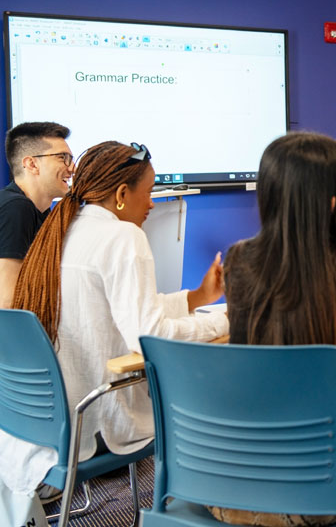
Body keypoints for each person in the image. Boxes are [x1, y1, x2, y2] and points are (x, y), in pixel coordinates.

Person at [0, 141, 228, 497]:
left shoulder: (62, 230)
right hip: (95, 425)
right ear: (122, 193)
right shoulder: (124, 236)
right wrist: (228, 320)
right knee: (212, 400)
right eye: (149, 192)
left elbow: (119, 312)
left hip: (40, 431)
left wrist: (197, 299)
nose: (152, 202)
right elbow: (150, 334)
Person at [214, 132, 336, 526]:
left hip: (226, 478)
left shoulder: (238, 260)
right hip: (318, 484)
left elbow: (280, 344)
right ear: (332, 199)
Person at [0, 122, 73, 307]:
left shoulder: (40, 212)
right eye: (62, 158)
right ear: (31, 164)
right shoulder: (17, 208)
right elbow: (6, 302)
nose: (71, 168)